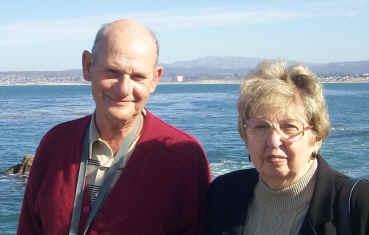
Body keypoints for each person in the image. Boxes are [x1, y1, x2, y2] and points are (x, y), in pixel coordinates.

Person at [17, 19, 210, 235]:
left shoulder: (184, 156)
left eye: (138, 76)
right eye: (112, 72)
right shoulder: (55, 143)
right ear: (88, 66)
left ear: (155, 79)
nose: (124, 89)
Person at [205, 61, 369, 235]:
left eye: (289, 127)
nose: (273, 141)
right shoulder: (224, 193)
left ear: (317, 138)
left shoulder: (358, 203)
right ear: (245, 136)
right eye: (261, 127)